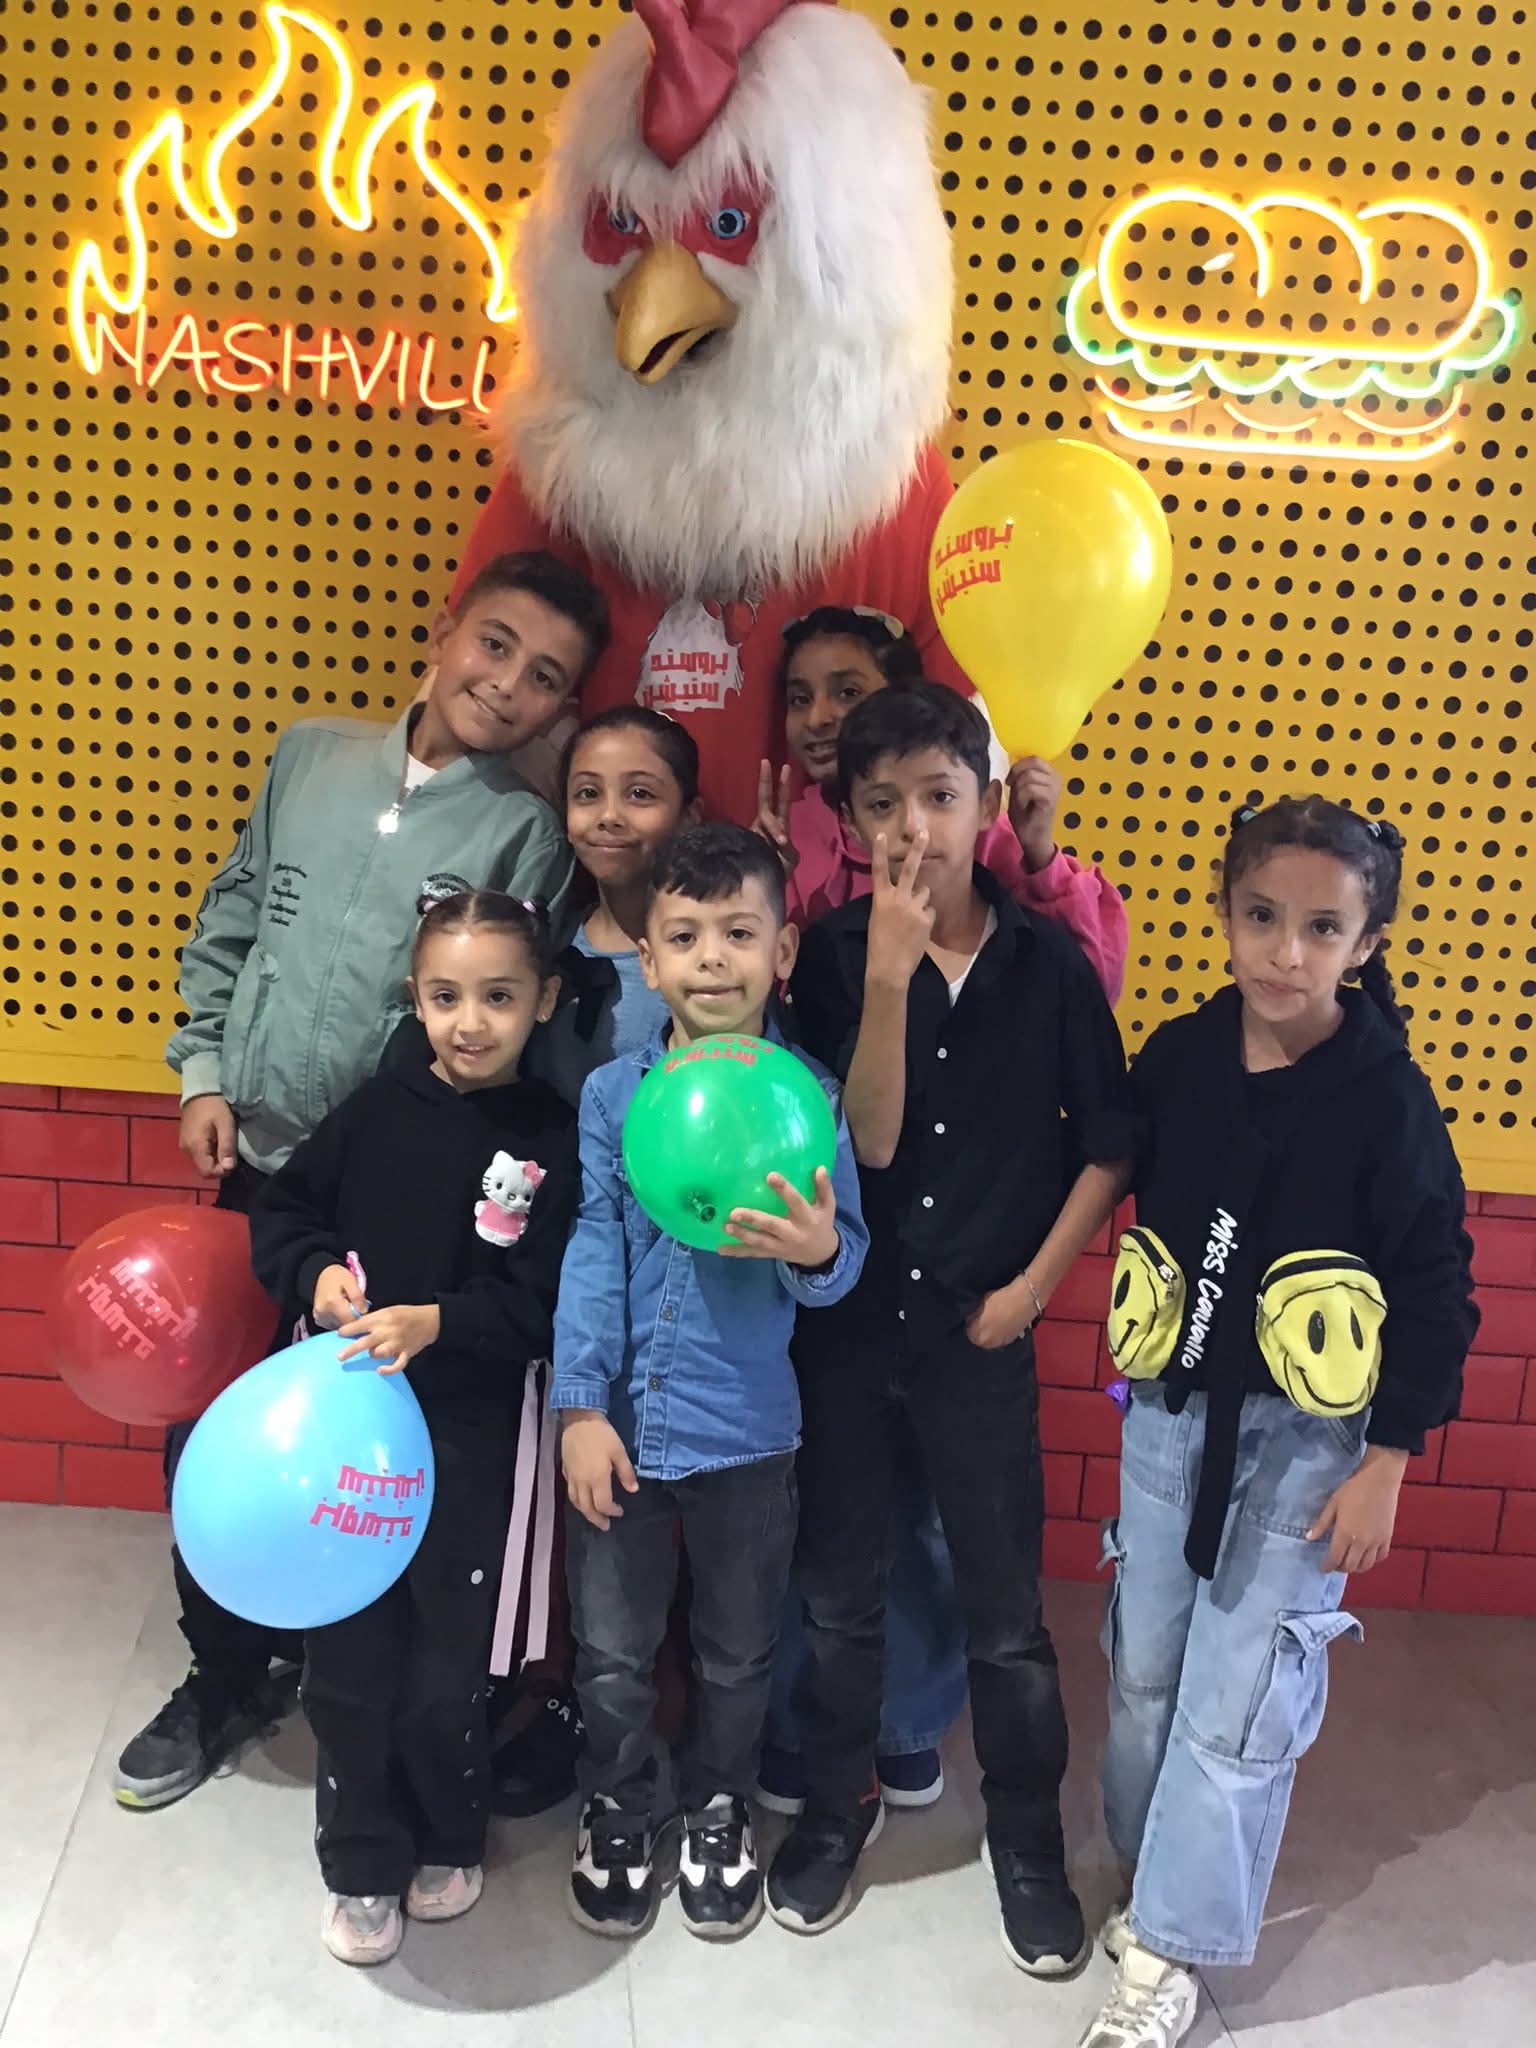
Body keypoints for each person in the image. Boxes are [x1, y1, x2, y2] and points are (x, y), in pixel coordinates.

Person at [113, 550, 609, 1814]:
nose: (507, 684)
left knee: (381, 1451)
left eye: (545, 677)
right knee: (215, 1434)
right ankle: (226, 1670)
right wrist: (204, 1068)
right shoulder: (310, 758)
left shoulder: (528, 835)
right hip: (268, 1176)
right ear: (446, 631)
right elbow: (231, 918)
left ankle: (389, 1677)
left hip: (405, 1211)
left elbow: (501, 1021)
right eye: (495, 644)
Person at [1077, 798, 1477, 2048]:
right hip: (1168, 1417)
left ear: (1365, 943)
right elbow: (1107, 1160)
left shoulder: (1386, 1098)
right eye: (1261, 916)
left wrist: (1387, 1460)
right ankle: (1147, 1880)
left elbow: (1437, 1284)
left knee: (1236, 1697)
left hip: (1306, 1445)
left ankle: (1171, 1948)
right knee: (1145, 1671)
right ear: (1224, 912)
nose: (1284, 952)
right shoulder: (1183, 1055)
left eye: (1321, 928)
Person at [770, 683, 1134, 1974]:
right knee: (839, 1595)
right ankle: (836, 1807)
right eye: (883, 805)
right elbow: (864, 1144)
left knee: (1005, 1612)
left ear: (987, 806)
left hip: (984, 1329)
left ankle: (1027, 1841)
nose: (913, 827)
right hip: (848, 1331)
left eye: (939, 796)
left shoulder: (1048, 966)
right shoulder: (828, 958)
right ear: (852, 822)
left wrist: (1033, 1289)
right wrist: (884, 979)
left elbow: (1109, 1143)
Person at [249, 891, 580, 1966]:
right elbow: (285, 1215)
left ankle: (448, 1832)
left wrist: (442, 1321)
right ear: (414, 997)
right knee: (347, 1662)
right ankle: (359, 1857)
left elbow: (545, 1301)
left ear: (543, 1001)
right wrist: (317, 1278)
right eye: (445, 996)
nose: (469, 1022)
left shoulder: (555, 1136)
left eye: (498, 997)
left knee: (447, 1665)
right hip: (351, 1433)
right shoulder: (373, 1110)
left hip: (475, 1442)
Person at [552, 823, 869, 1942]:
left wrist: (816, 1250)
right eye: (684, 936)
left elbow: (841, 1269)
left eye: (739, 933)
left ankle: (719, 1804)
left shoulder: (808, 1098)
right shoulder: (611, 1097)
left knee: (738, 1652)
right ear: (648, 960)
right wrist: (578, 1407)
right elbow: (592, 1251)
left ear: (783, 952)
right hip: (621, 1430)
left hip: (749, 1433)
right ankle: (621, 1803)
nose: (713, 959)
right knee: (612, 1653)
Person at [482, 706, 701, 1817]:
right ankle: (567, 1695)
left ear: (687, 813)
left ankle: (685, 1721)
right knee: (571, 1509)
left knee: (683, 1522)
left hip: (687, 1298)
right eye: (587, 792)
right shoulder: (545, 959)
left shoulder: (713, 963)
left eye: (640, 792)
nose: (610, 816)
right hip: (556, 1280)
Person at [754, 605, 1127, 999]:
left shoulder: (973, 831)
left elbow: (1090, 984)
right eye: (799, 699)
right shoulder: (790, 835)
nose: (817, 718)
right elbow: (772, 997)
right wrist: (762, 890)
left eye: (848, 692)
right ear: (851, 820)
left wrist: (1039, 853)